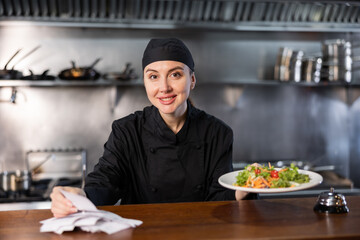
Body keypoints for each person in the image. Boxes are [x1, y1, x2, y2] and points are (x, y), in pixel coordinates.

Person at [50, 38, 253, 218]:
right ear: (145, 82)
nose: (164, 87)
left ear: (192, 80)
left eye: (175, 75)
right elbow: (106, 182)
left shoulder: (217, 132)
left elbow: (219, 196)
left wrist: (243, 189)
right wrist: (80, 196)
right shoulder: (127, 130)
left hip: (198, 231)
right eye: (154, 76)